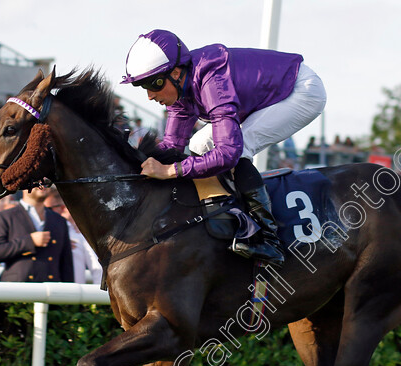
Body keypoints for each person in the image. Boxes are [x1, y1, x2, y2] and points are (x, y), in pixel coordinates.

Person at [121, 30, 327, 266]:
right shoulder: (181, 90)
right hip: (268, 96)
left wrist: (170, 171)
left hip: (300, 90)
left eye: (153, 84)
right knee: (199, 143)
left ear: (176, 73)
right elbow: (171, 147)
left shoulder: (212, 79)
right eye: (142, 86)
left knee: (241, 147)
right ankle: (229, 216)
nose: (149, 96)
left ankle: (269, 238)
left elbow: (228, 153)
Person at [0, 185, 74, 282]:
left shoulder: (59, 220)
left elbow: (67, 265)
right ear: (23, 185)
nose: (42, 184)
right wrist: (30, 241)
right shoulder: (6, 217)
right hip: (18, 289)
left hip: (51, 291)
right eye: (37, 181)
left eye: (46, 181)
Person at [45, 186, 101, 284]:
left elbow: (97, 268)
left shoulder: (77, 232)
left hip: (71, 292)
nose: (45, 212)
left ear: (62, 208)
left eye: (48, 208)